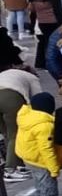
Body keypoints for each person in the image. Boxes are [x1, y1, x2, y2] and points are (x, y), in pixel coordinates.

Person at [18, 91, 62, 196]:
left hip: (29, 157)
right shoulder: (44, 126)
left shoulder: (27, 116)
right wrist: (54, 169)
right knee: (49, 191)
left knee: (40, 188)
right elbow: (46, 149)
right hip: (41, 161)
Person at [0, 51, 34, 180]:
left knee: (7, 134)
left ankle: (18, 165)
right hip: (10, 99)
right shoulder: (31, 77)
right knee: (15, 134)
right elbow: (37, 98)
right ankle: (10, 169)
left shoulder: (7, 73)